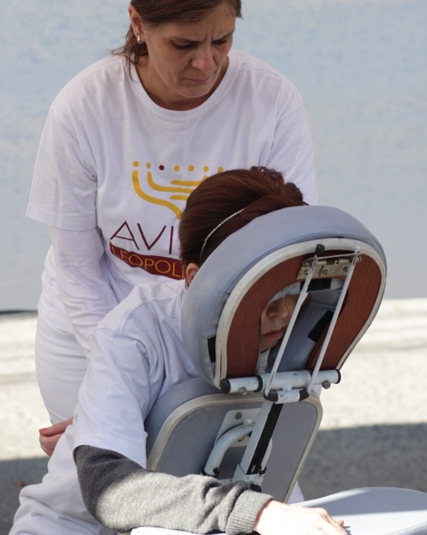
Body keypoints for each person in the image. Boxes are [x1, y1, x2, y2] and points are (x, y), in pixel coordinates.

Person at [27, 0, 318, 453]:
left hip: (225, 337)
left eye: (222, 40)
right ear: (139, 24)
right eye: (184, 45)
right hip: (93, 329)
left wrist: (213, 364)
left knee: (226, 484)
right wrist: (114, 392)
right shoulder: (83, 107)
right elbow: (78, 268)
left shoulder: (272, 101)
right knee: (102, 482)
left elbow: (286, 254)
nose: (206, 63)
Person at [11, 167, 344, 535]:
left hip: (214, 517)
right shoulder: (135, 333)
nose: (283, 311)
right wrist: (256, 512)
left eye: (293, 288)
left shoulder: (296, 333)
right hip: (77, 527)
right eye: (261, 291)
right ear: (196, 280)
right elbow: (109, 490)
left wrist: (266, 511)